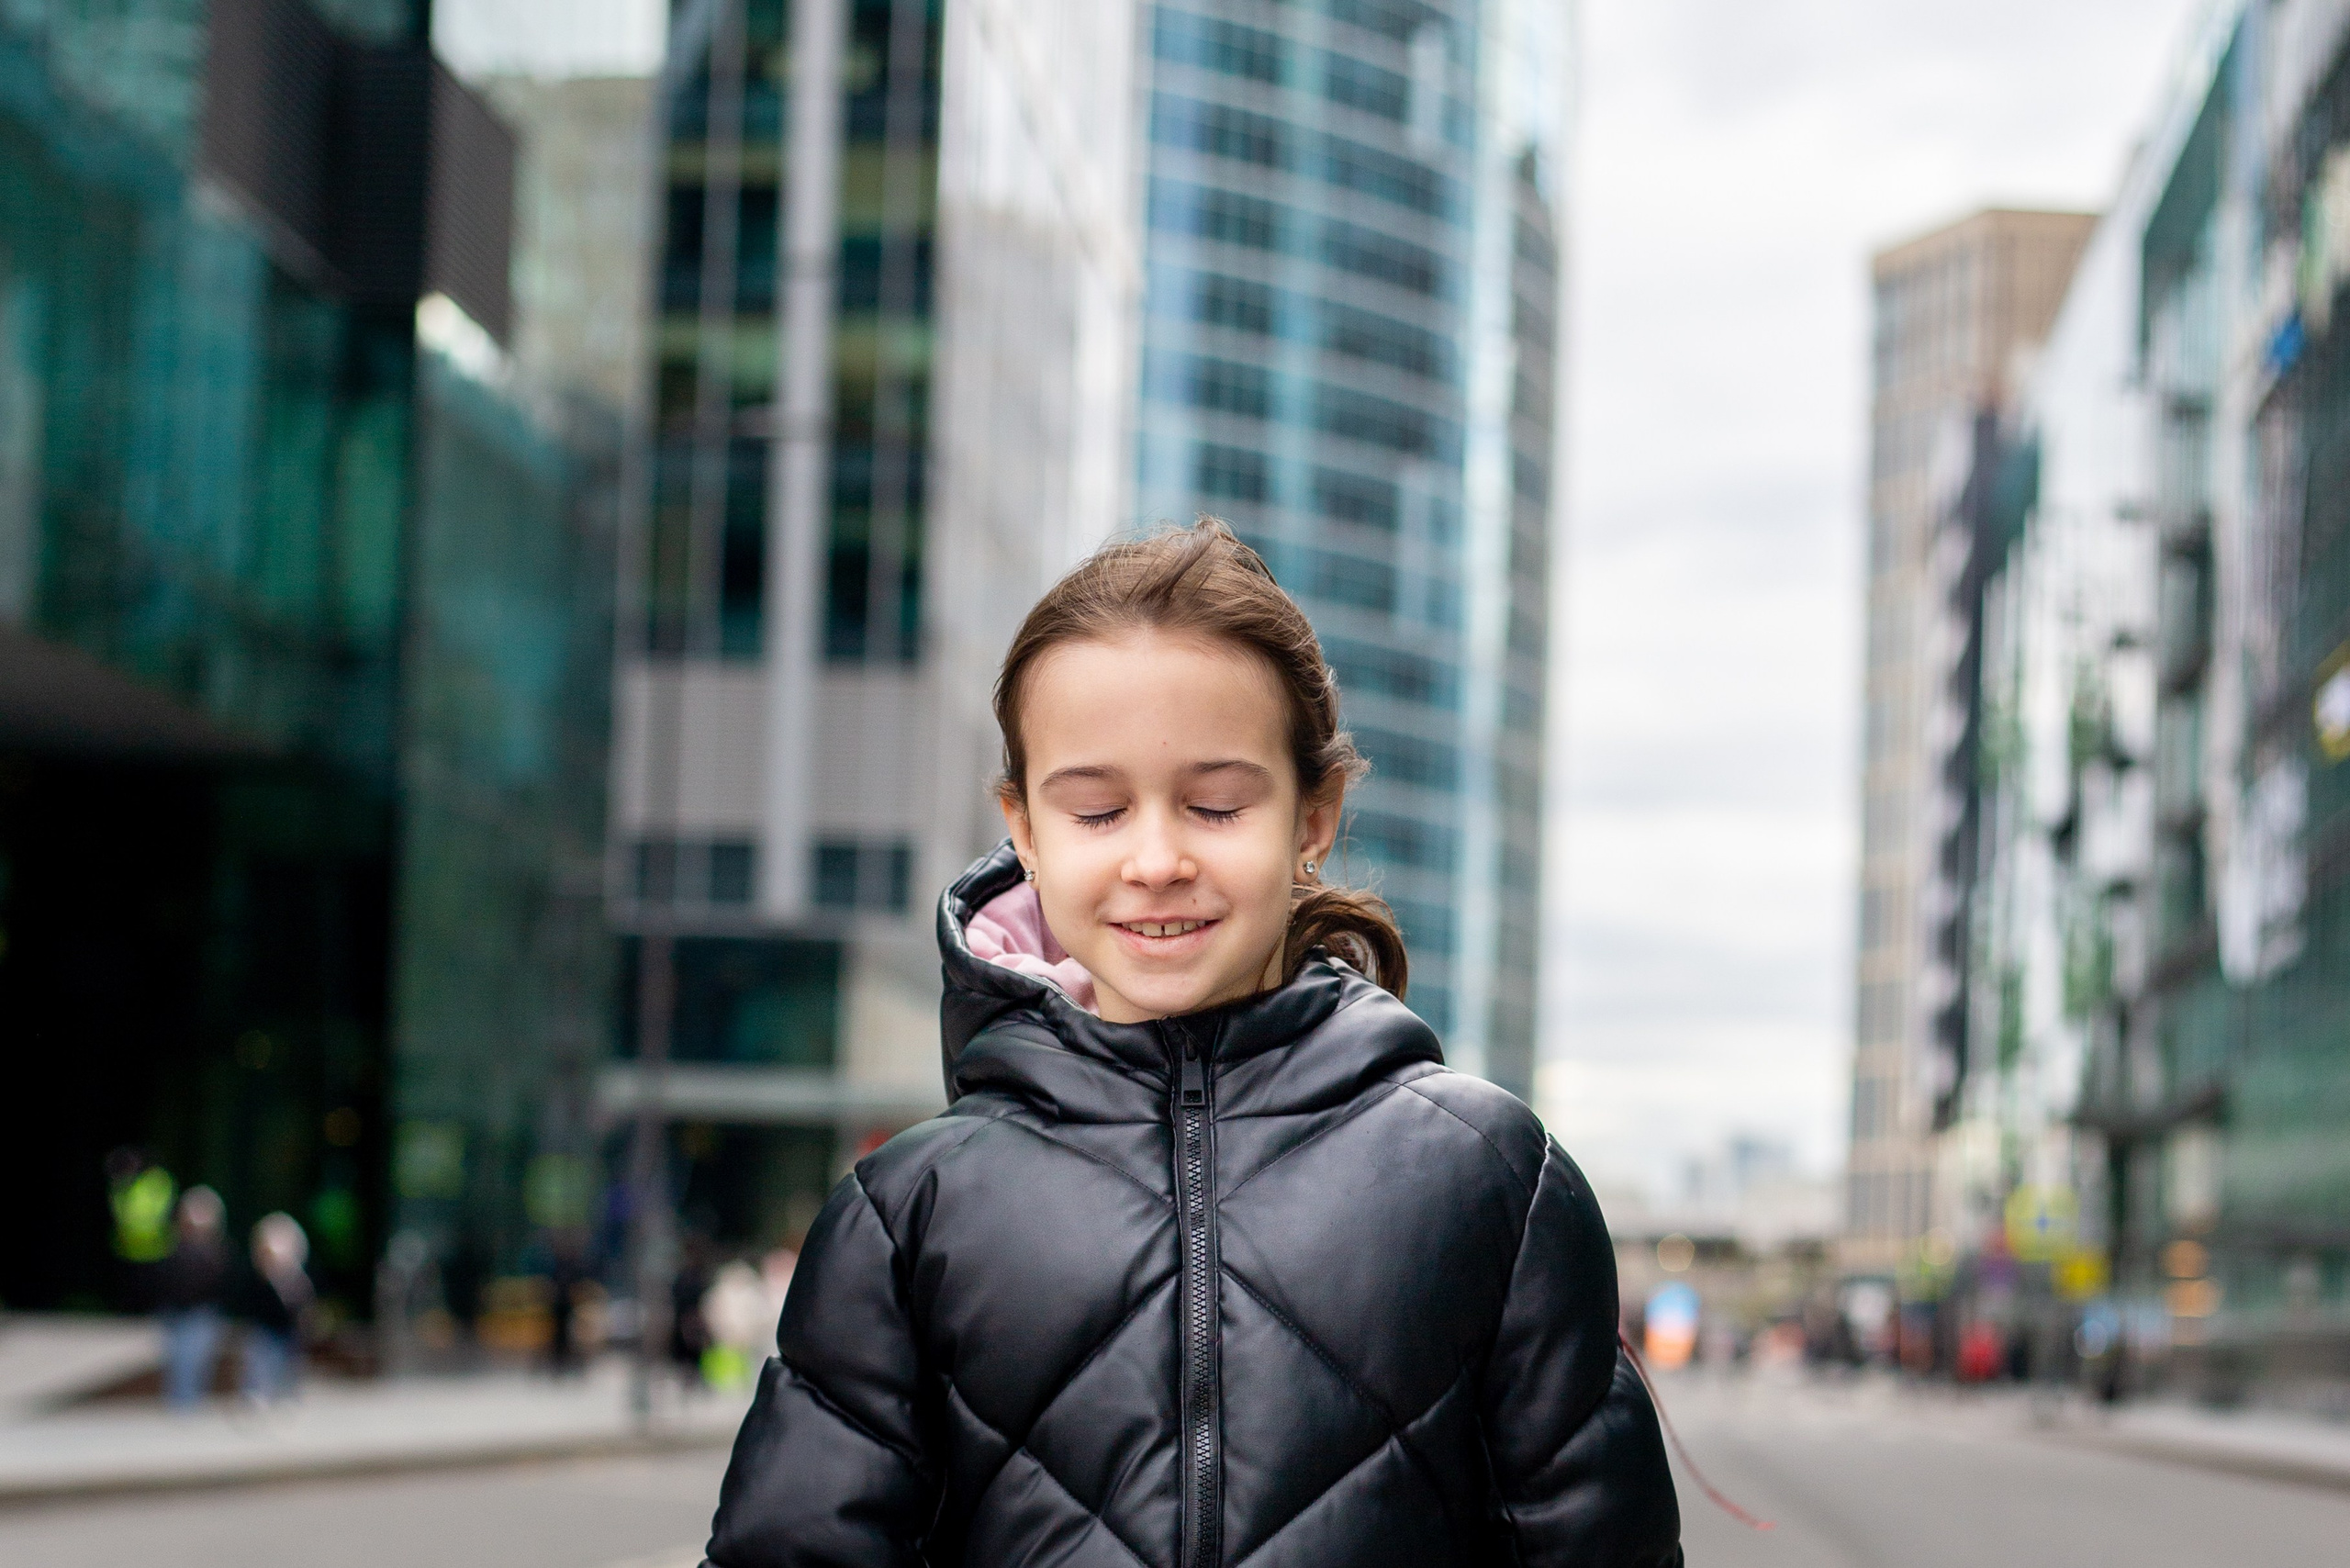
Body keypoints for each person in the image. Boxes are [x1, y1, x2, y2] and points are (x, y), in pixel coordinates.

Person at [701, 521, 1682, 1566]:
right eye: (1097, 810)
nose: (1156, 857)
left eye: (1214, 805)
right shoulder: (905, 1214)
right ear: (1023, 827)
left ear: (1315, 813)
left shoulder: (1494, 1178)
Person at [152, 1186, 229, 1410]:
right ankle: (179, 1407)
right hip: (176, 1314)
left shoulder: (217, 1251)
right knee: (178, 1363)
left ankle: (191, 1405)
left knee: (197, 1362)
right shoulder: (173, 1248)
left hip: (202, 1314)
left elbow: (219, 1285)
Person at [235, 1212, 313, 1405]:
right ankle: (256, 1396)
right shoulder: (258, 1278)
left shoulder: (296, 1279)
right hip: (264, 1330)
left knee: (287, 1366)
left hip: (287, 1331)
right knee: (259, 1361)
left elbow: (302, 1306)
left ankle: (286, 1398)